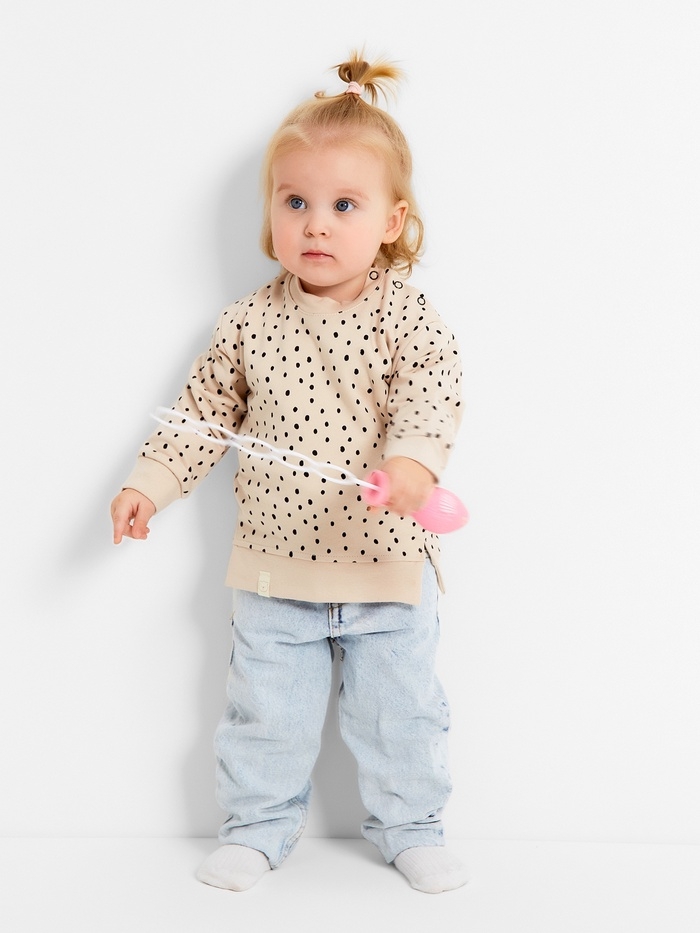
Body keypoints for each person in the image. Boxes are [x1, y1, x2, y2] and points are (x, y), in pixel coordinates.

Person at [111, 51, 466, 894]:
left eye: (344, 205)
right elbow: (200, 415)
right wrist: (149, 484)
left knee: (402, 714)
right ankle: (257, 827)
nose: (315, 225)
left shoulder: (406, 314)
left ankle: (411, 827)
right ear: (271, 212)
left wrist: (412, 463)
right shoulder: (246, 323)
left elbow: (433, 389)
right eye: (295, 202)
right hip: (275, 572)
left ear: (391, 220)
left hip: (385, 567)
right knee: (265, 715)